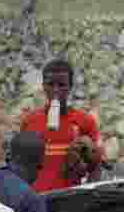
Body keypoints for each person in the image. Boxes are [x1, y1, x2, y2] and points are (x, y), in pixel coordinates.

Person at [20, 58, 103, 192]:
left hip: (70, 199)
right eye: (50, 84)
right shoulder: (29, 121)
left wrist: (86, 196)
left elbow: (96, 167)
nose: (56, 90)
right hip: (36, 199)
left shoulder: (85, 121)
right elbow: (21, 166)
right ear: (43, 86)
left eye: (62, 85)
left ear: (70, 87)